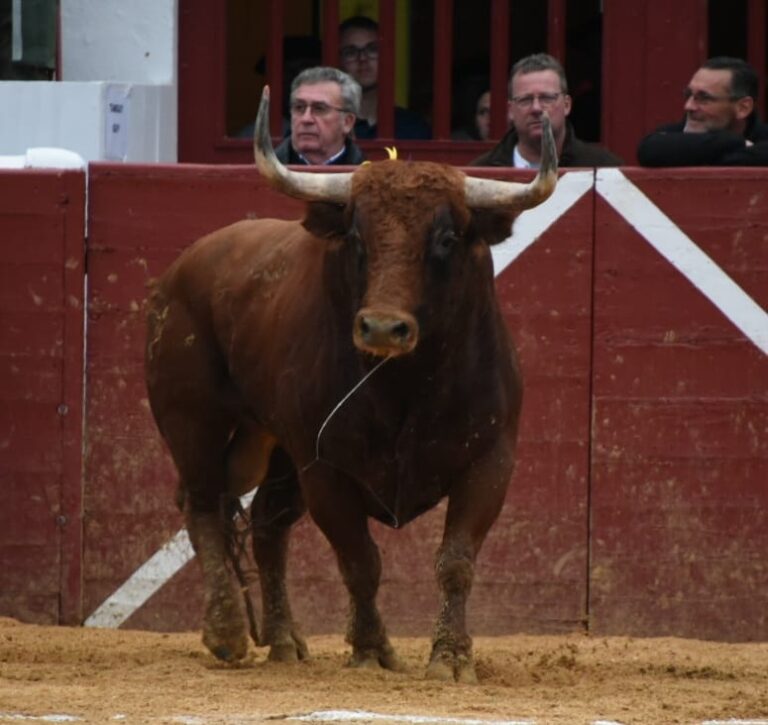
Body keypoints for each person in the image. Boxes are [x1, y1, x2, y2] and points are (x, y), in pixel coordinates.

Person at [471, 53, 622, 167]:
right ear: (511, 110)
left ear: (567, 105)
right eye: (525, 100)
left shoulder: (604, 168)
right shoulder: (481, 172)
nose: (536, 108)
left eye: (547, 98)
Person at [637, 56, 768, 166]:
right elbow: (650, 151)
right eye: (689, 95)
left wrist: (694, 154)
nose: (688, 106)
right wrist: (738, 143)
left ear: (743, 108)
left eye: (704, 98)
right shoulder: (673, 133)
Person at [338, 15, 431, 140]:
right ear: (338, 61)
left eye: (372, 49)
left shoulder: (412, 126)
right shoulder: (327, 126)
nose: (363, 58)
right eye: (350, 52)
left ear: (387, 56)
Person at [274, 66, 365, 166]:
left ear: (347, 122)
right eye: (299, 107)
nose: (306, 119)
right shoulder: (262, 174)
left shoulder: (369, 177)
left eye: (319, 109)